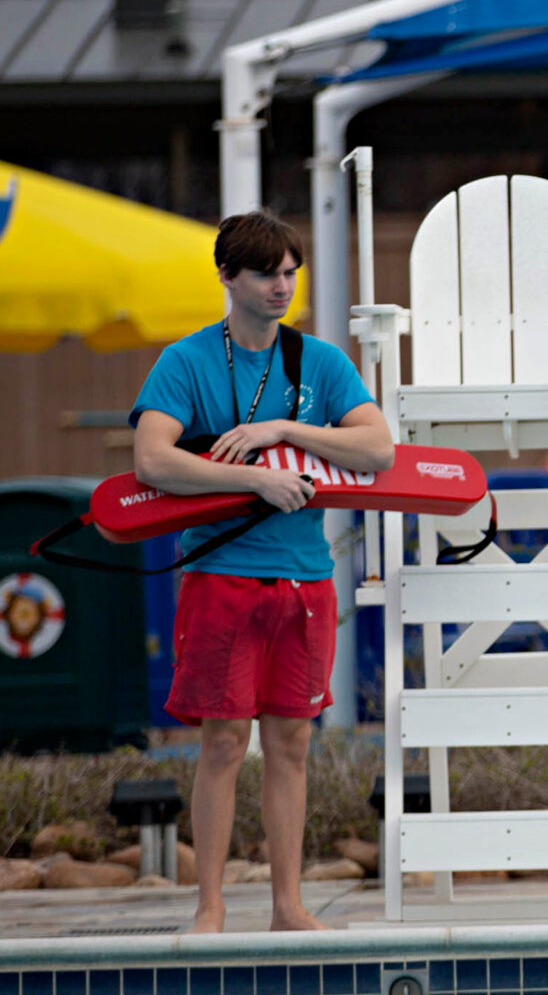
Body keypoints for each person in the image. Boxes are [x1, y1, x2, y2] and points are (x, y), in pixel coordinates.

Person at [130, 210, 392, 932]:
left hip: (305, 578)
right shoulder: (186, 361)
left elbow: (378, 450)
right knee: (222, 741)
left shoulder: (319, 362)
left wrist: (283, 430)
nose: (283, 286)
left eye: (290, 272)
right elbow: (151, 459)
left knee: (292, 745)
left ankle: (287, 906)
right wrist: (256, 480)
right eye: (266, 273)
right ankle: (210, 906)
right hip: (222, 576)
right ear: (227, 275)